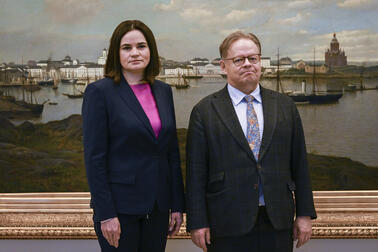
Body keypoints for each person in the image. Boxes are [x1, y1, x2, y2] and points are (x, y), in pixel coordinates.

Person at [185, 31, 317, 252]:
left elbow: (300, 164)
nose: (247, 64)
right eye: (239, 59)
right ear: (223, 66)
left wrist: (304, 214)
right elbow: (195, 172)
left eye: (253, 58)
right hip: (226, 221)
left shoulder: (285, 106)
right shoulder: (204, 111)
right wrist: (197, 221)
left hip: (277, 220)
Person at [82, 20, 185, 252]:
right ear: (116, 54)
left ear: (151, 50)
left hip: (158, 208)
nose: (135, 53)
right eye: (126, 48)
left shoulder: (163, 90)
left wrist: (177, 205)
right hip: (119, 210)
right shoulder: (100, 92)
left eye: (141, 46)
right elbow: (94, 158)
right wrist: (106, 213)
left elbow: (170, 152)